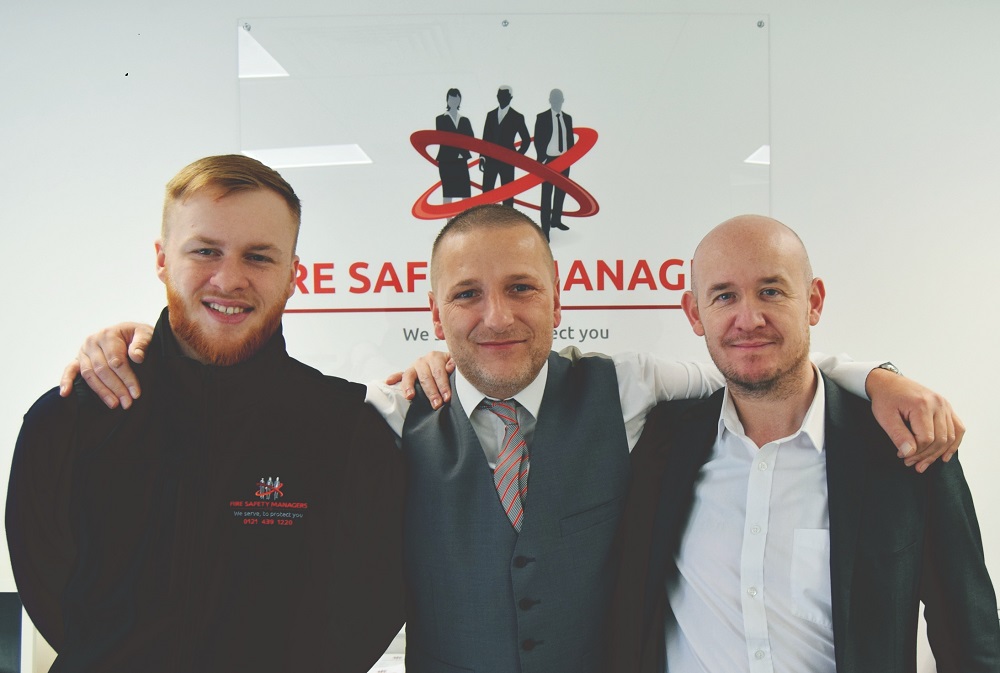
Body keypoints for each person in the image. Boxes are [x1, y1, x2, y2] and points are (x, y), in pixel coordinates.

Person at [61, 205, 963, 673]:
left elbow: (759, 357)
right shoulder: (384, 421)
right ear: (433, 311)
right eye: (466, 295)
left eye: (523, 289)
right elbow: (243, 414)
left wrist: (877, 374)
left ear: (561, 297)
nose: (496, 317)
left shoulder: (633, 387)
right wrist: (134, 348)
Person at [6, 155, 406, 672]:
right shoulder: (71, 420)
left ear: (293, 276)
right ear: (161, 259)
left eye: (259, 257)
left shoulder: (351, 429)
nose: (229, 279)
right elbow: (52, 598)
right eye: (205, 251)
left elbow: (371, 607)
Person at [609, 215, 999, 672]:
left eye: (771, 291)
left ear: (813, 301)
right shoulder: (661, 442)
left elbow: (971, 639)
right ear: (696, 314)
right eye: (724, 296)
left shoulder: (907, 443)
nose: (749, 319)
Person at [534, 88, 574, 239]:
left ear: (563, 101)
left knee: (560, 192)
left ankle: (556, 220)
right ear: (550, 100)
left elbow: (570, 139)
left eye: (559, 100)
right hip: (548, 161)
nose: (557, 102)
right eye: (554, 99)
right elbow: (538, 139)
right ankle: (545, 229)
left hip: (564, 160)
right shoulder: (542, 117)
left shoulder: (568, 118)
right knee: (546, 195)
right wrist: (542, 158)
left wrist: (570, 157)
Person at [480, 86, 531, 206]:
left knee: (507, 196)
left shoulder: (517, 117)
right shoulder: (490, 115)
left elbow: (526, 139)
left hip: (507, 162)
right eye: (499, 95)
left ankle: (507, 223)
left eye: (504, 96)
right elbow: (485, 139)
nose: (501, 98)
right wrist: (482, 157)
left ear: (510, 98)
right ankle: (486, 221)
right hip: (490, 160)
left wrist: (517, 157)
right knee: (487, 193)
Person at [434, 87, 474, 204]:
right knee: (448, 192)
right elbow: (444, 138)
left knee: (465, 192)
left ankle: (466, 221)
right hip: (447, 160)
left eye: (456, 100)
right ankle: (448, 221)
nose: (453, 102)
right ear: (447, 101)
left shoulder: (465, 120)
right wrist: (460, 141)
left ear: (459, 101)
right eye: (451, 100)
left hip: (461, 160)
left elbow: (470, 138)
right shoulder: (440, 119)